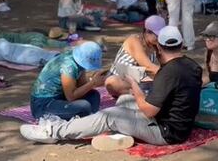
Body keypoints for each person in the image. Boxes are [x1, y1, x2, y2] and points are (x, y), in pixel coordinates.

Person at [19, 26, 203, 151]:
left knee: (109, 115)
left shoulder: (167, 72)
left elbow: (148, 111)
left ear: (160, 49)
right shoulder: (193, 66)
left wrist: (133, 85)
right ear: (180, 45)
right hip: (175, 124)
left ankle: (54, 131)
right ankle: (119, 133)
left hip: (165, 132)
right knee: (123, 101)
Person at [29, 42, 104, 120]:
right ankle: (88, 118)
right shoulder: (69, 66)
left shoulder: (78, 62)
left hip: (60, 97)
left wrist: (94, 81)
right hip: (44, 104)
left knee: (94, 95)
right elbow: (71, 96)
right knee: (84, 107)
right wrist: (92, 83)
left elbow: (81, 85)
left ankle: (89, 117)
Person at [105, 15, 165, 97]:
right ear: (147, 32)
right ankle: (139, 93)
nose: (159, 38)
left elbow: (165, 64)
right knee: (111, 82)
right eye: (157, 35)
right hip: (121, 79)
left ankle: (140, 92)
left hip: (141, 80)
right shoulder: (134, 40)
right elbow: (148, 66)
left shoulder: (156, 46)